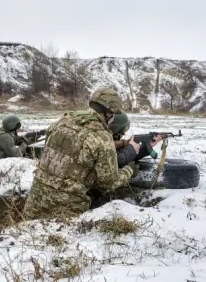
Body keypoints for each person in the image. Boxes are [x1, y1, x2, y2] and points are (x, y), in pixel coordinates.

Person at [23, 87, 137, 220]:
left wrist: (122, 144)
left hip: (33, 205)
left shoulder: (63, 121)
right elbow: (108, 183)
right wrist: (129, 170)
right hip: (64, 214)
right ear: (108, 113)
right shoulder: (101, 136)